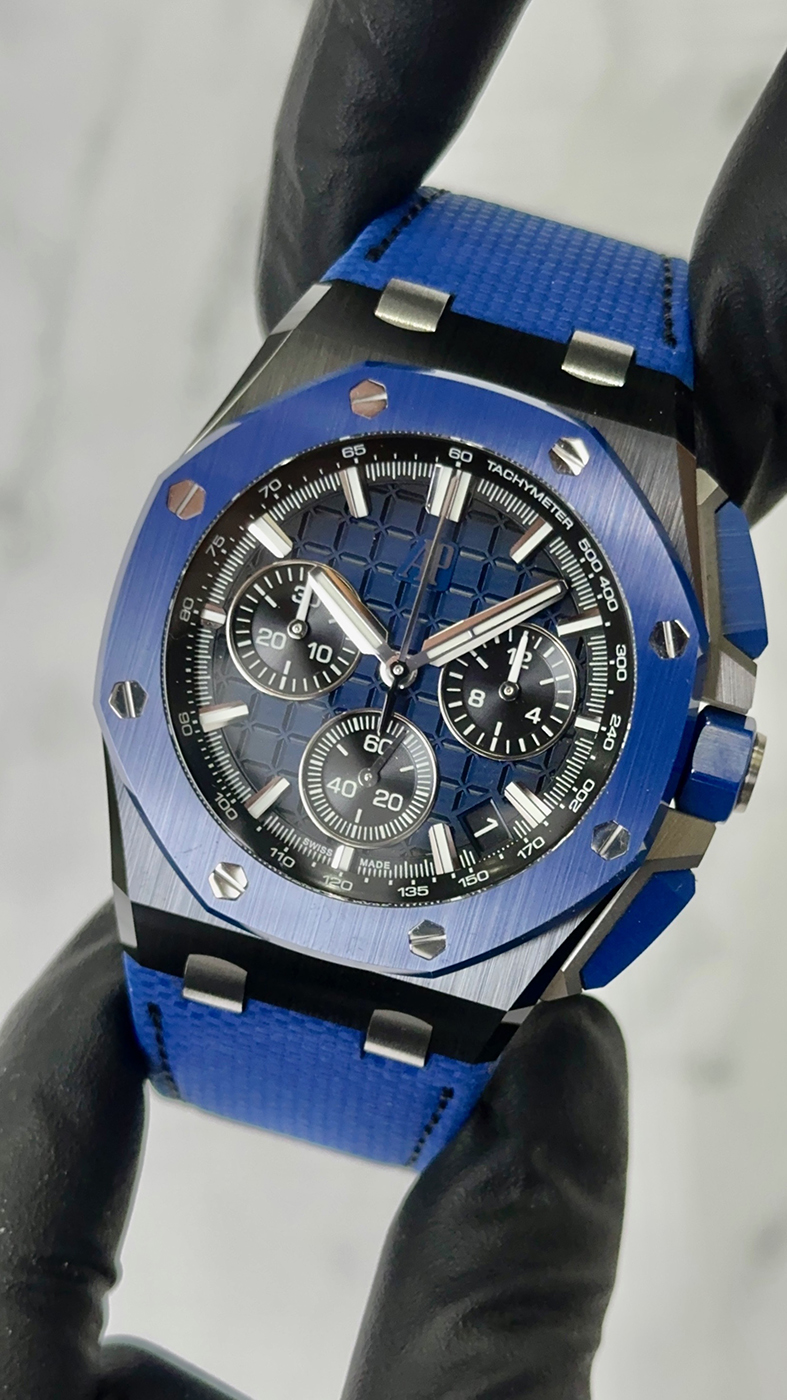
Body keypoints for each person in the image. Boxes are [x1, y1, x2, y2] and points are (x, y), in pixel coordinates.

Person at [2, 4, 786, 1395]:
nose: (404, 673)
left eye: (464, 668)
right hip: (242, 885)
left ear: (706, 757)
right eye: (352, 642)